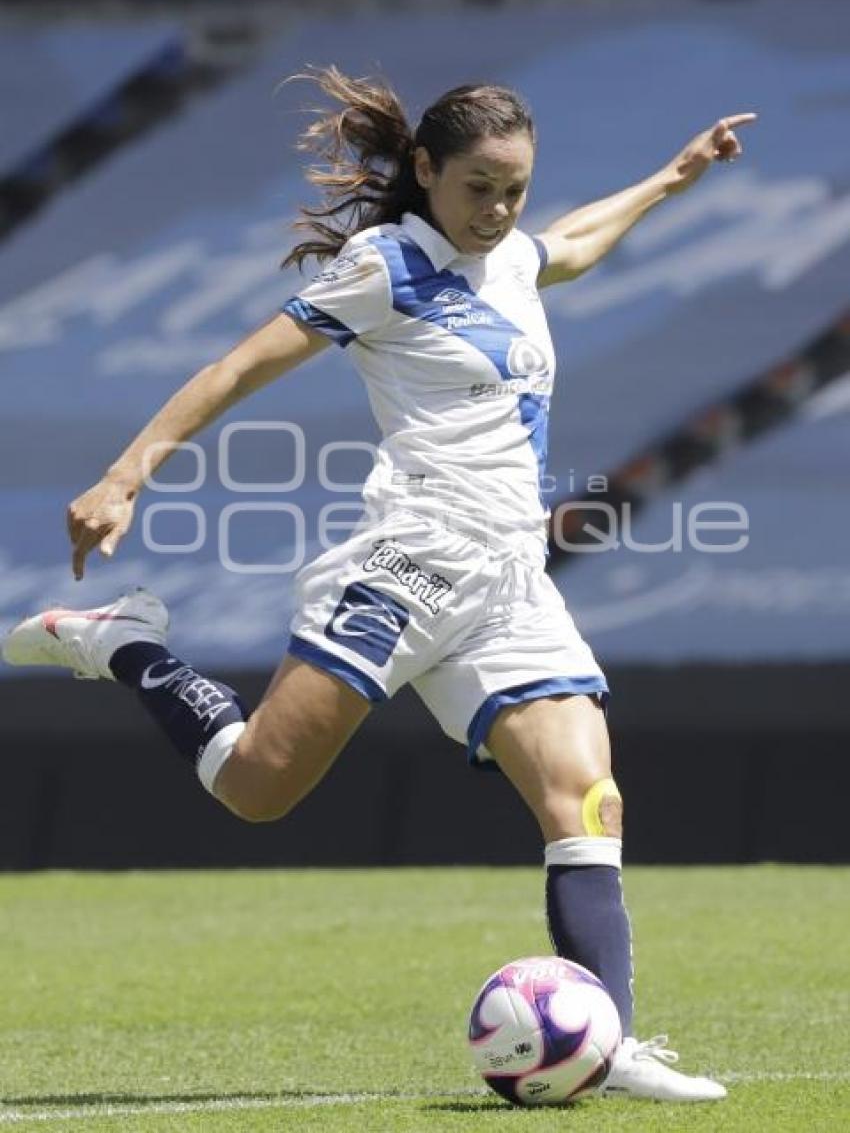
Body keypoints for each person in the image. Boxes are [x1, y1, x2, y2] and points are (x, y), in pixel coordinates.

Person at [3, 67, 755, 1101]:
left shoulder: (510, 260)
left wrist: (672, 177)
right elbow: (237, 368)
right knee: (255, 788)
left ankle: (601, 1039)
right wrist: (127, 472)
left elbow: (569, 246)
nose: (497, 212)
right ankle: (121, 640)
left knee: (586, 800)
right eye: (478, 187)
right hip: (408, 561)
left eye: (514, 191)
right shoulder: (386, 265)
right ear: (424, 170)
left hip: (508, 580)